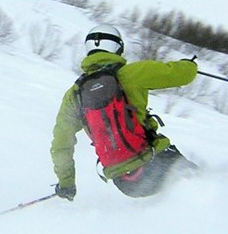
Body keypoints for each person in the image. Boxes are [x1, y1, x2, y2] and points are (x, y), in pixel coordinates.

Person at [50, 24, 198, 200]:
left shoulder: (74, 95)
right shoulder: (133, 73)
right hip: (155, 163)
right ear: (117, 48)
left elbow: (61, 144)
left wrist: (66, 183)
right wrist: (189, 65)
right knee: (200, 188)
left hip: (125, 182)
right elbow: (182, 75)